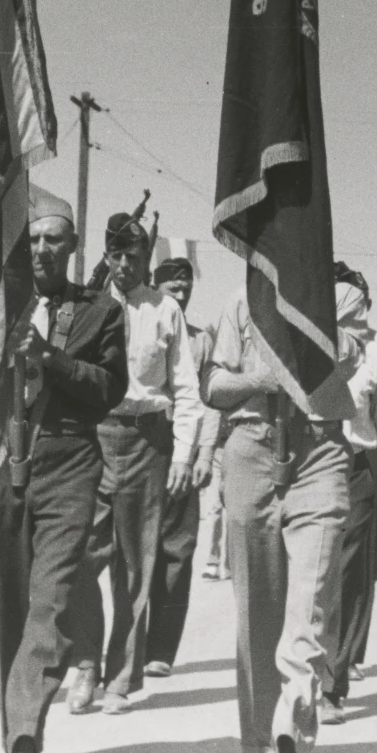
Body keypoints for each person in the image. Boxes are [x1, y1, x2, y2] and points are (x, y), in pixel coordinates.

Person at [0, 188, 129, 753]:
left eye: (52, 239)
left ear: (72, 247)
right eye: (32, 238)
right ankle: (16, 722)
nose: (41, 249)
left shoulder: (101, 312)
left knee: (52, 597)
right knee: (10, 598)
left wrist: (53, 361)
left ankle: (25, 739)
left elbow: (110, 388)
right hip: (4, 461)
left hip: (68, 461)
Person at [200, 274, 352, 753]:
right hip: (251, 444)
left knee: (309, 604)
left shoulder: (337, 298)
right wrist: (259, 379)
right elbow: (214, 385)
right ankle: (262, 739)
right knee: (257, 605)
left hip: (319, 448)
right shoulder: (238, 300)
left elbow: (350, 355)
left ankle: (291, 744)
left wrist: (309, 329)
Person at [65, 212, 201, 715]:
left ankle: (121, 678)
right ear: (105, 256)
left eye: (135, 257)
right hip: (94, 440)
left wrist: (184, 453)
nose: (125, 265)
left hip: (149, 441)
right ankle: (85, 665)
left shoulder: (165, 309)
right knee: (81, 555)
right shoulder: (86, 308)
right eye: (116, 255)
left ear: (147, 260)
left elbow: (185, 388)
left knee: (135, 566)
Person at [321, 264, 377, 723]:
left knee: (350, 571)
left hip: (359, 469)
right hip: (309, 466)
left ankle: (333, 682)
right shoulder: (308, 345)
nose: (359, 318)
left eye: (361, 308)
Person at [145, 256, 215, 676]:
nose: (182, 292)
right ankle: (128, 646)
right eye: (173, 285)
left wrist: (204, 453)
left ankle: (160, 651)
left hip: (183, 450)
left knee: (176, 551)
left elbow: (209, 401)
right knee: (134, 549)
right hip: (145, 445)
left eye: (187, 286)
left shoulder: (201, 340)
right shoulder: (140, 326)